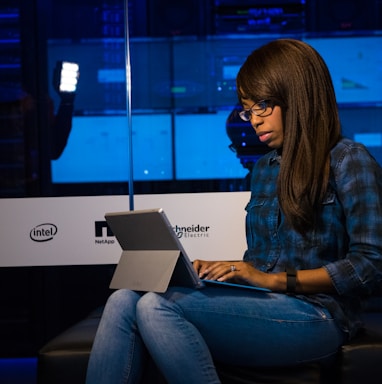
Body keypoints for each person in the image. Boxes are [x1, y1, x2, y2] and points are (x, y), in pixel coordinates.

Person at [85, 39, 382, 384]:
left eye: (263, 106)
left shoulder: (349, 159)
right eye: (247, 109)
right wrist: (225, 271)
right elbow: (263, 261)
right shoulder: (264, 169)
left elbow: (369, 265)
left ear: (298, 96)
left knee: (157, 306)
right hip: (264, 303)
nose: (253, 120)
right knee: (125, 298)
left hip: (319, 315)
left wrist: (271, 280)